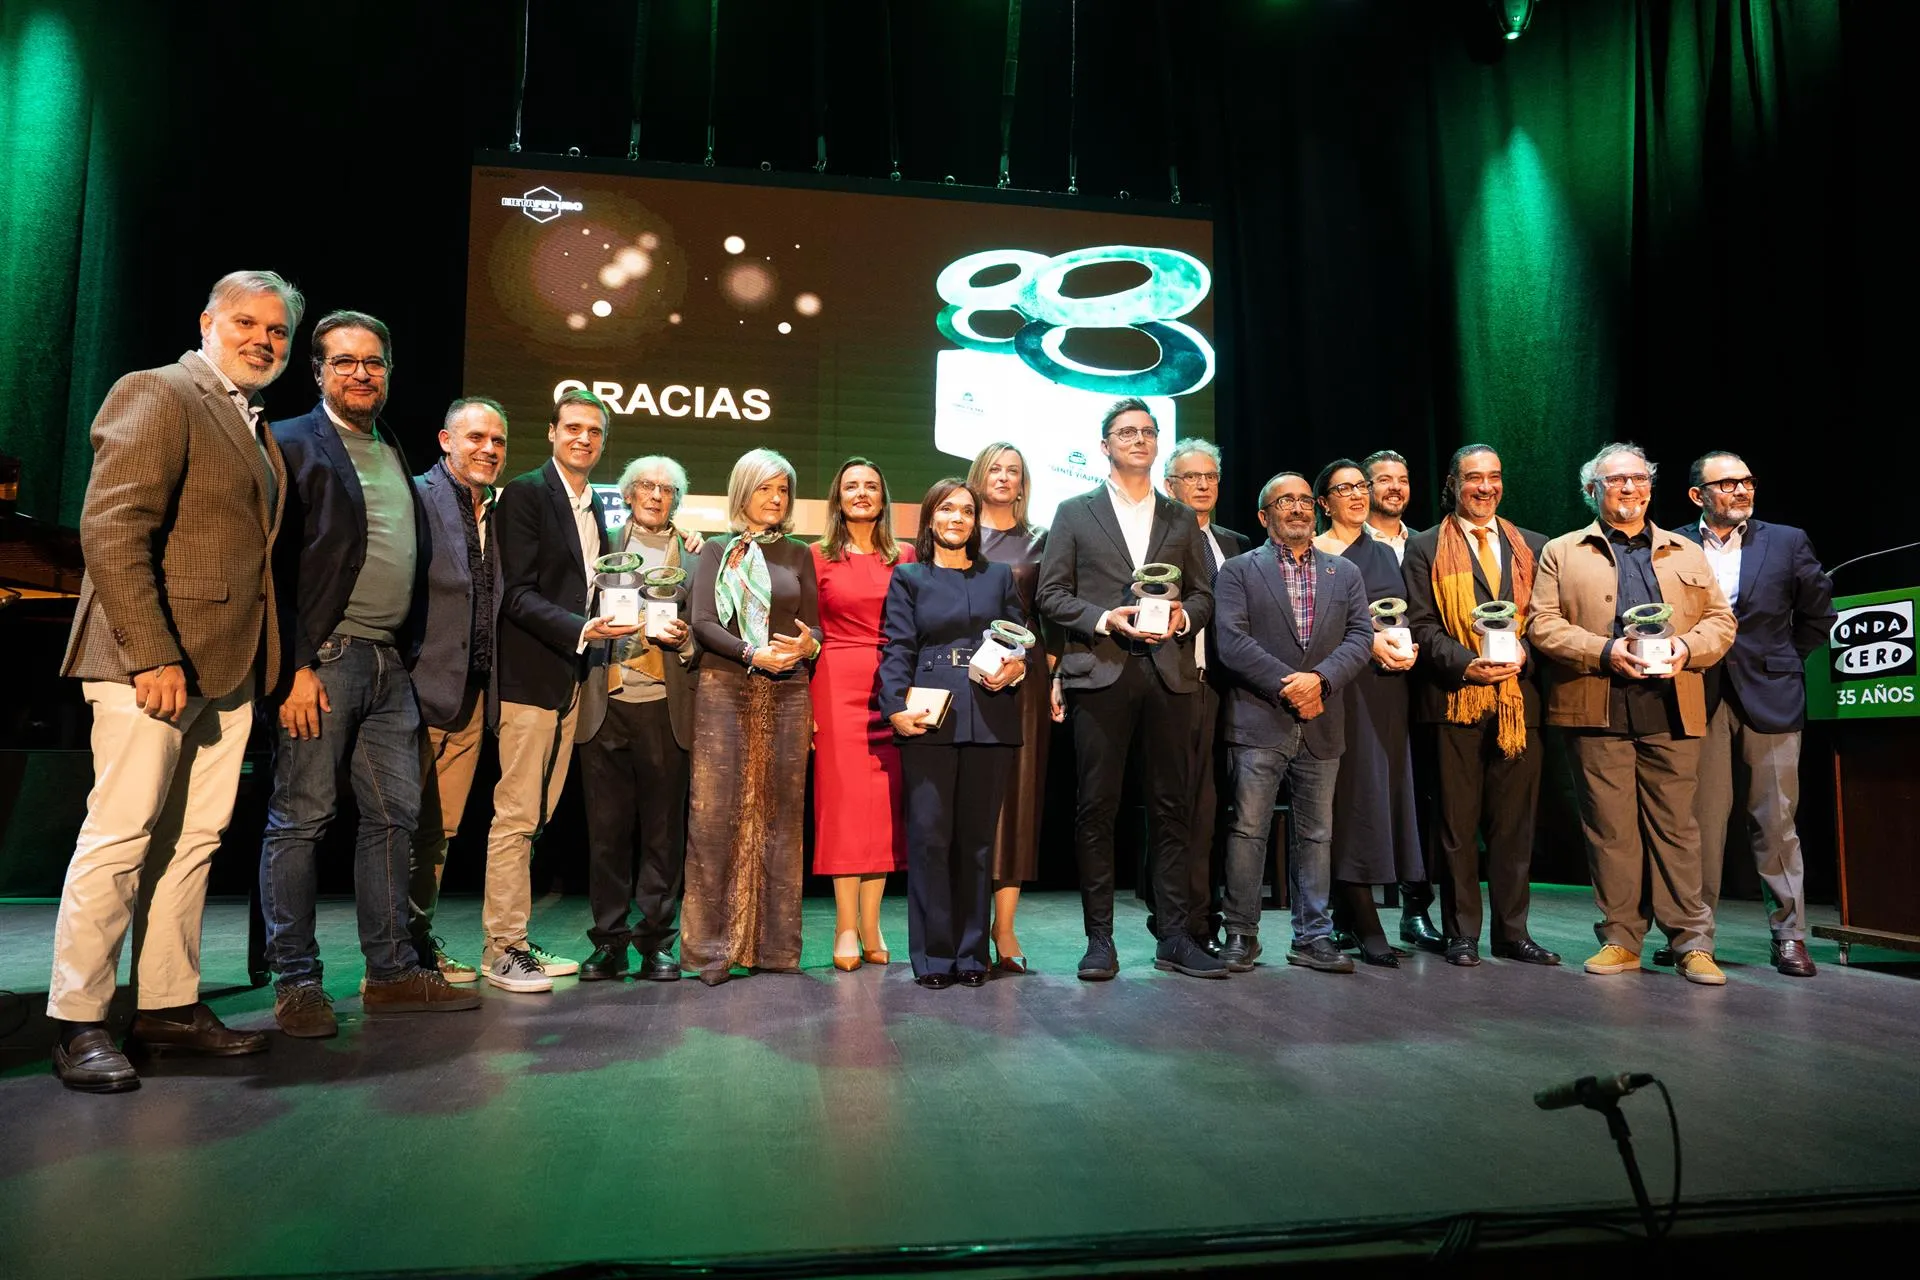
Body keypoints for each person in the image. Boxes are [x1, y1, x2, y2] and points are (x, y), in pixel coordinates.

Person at [47, 270, 300, 1091]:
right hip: (150, 665)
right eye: (246, 322)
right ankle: (79, 1020)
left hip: (224, 667)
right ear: (206, 323)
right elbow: (111, 527)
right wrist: (151, 652)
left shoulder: (252, 421)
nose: (263, 339)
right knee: (120, 837)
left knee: (192, 844)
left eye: (277, 330)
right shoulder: (158, 391)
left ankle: (166, 1007)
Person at [260, 310, 478, 1037]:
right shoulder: (289, 442)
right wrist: (292, 666)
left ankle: (390, 975)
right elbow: (271, 565)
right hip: (322, 662)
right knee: (302, 819)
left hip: (389, 665)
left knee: (393, 819)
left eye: (374, 362)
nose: (362, 373)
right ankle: (296, 982)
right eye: (345, 361)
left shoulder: (389, 446)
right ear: (318, 371)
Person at [1530, 442, 1737, 985]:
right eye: (1616, 479)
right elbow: (1541, 624)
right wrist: (1604, 652)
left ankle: (1692, 942)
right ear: (1591, 490)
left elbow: (1721, 622)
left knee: (1678, 829)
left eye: (1639, 478)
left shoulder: (1684, 551)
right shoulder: (1562, 551)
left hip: (1673, 705)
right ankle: (1621, 939)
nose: (1629, 487)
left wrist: (1685, 648)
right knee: (1610, 830)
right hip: (1596, 707)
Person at [1035, 397, 1222, 980]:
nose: (1139, 440)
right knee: (1097, 808)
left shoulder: (1179, 517)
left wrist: (1183, 620)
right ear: (1105, 445)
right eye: (1126, 432)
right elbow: (1050, 594)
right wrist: (1103, 618)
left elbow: (1205, 593)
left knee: (1172, 808)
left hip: (1169, 673)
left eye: (1147, 431)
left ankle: (1174, 936)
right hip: (1102, 669)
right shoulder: (1074, 512)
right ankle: (1100, 940)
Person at [483, 389, 635, 993]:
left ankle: (515, 941)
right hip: (530, 678)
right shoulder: (525, 493)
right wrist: (582, 629)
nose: (583, 439)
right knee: (517, 816)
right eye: (573, 427)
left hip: (570, 679)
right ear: (551, 432)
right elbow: (516, 594)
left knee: (539, 815)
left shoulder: (594, 505)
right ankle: (503, 949)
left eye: (594, 431)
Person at [1677, 452, 1834, 977]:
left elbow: (1818, 614)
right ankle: (1694, 938)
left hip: (1771, 695)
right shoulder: (1674, 544)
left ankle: (1789, 936)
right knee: (1700, 824)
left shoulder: (1787, 541)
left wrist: (1783, 660)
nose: (1741, 490)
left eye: (1746, 481)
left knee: (1776, 821)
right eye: (1726, 484)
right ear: (1698, 495)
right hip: (1699, 693)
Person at [1401, 445, 1558, 967]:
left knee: (1514, 828)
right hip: (1453, 701)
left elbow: (1548, 621)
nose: (1485, 487)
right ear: (1453, 484)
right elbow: (1420, 624)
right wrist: (1467, 665)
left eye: (1494, 476)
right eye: (1473, 477)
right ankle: (1462, 932)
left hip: (1519, 702)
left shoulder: (1534, 545)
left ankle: (1513, 933)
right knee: (1456, 825)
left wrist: (1525, 653)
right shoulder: (1423, 546)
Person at [1214, 472, 1374, 973]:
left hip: (1323, 721)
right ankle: (1241, 932)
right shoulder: (1238, 571)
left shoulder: (1344, 572)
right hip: (1258, 718)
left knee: (1317, 834)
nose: (1299, 508)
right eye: (1286, 501)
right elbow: (1231, 641)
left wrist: (1320, 682)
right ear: (1264, 516)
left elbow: (1361, 636)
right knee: (1248, 830)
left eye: (1305, 500)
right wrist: (1291, 686)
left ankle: (1312, 937)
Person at [878, 480, 1028, 988]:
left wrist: (1018, 668)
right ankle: (934, 957)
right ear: (930, 518)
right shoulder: (909, 577)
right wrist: (894, 708)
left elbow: (1019, 643)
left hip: (990, 714)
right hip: (929, 712)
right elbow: (897, 646)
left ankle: (971, 955)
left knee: (977, 843)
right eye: (947, 509)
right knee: (929, 839)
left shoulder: (998, 576)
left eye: (966, 510)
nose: (957, 518)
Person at [681, 448, 822, 985]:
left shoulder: (799, 553)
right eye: (765, 488)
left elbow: (815, 625)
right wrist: (750, 653)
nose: (776, 498)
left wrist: (808, 645)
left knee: (780, 819)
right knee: (715, 818)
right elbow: (702, 622)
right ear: (743, 491)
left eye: (783, 490)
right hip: (726, 686)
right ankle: (711, 952)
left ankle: (774, 948)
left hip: (788, 690)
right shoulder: (719, 550)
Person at [576, 456, 702, 982]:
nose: (655, 495)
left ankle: (656, 942)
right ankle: (608, 943)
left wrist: (687, 641)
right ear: (627, 494)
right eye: (646, 486)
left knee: (662, 835)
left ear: (676, 500)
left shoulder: (695, 555)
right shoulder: (599, 544)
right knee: (606, 835)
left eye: (666, 489)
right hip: (605, 703)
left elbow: (708, 627)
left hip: (664, 707)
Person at [405, 397, 508, 985]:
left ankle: (417, 944)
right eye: (476, 438)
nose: (488, 449)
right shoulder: (418, 497)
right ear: (446, 441)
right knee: (395, 831)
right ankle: (390, 959)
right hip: (415, 693)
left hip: (470, 697)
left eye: (497, 441)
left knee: (437, 833)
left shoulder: (495, 510)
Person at [1312, 459, 1424, 967]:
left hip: (1386, 689)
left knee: (1384, 796)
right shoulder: (1315, 552)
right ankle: (1361, 917)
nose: (1358, 495)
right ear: (1324, 503)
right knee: (1353, 799)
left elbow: (1401, 614)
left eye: (1362, 486)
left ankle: (1349, 917)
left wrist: (1407, 646)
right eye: (1345, 489)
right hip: (1342, 687)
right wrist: (1367, 644)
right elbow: (1310, 627)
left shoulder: (1383, 552)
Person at [810, 457, 913, 972]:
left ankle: (872, 924)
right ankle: (844, 926)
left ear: (883, 497)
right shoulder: (815, 556)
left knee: (882, 811)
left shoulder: (907, 555)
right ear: (838, 496)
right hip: (835, 685)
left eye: (871, 485)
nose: (861, 493)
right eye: (851, 485)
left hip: (892, 686)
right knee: (844, 810)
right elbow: (806, 629)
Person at [1162, 439, 1252, 955]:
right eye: (1191, 477)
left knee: (1228, 809)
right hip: (1184, 682)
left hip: (1236, 689)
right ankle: (1185, 922)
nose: (1202, 485)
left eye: (1210, 476)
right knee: (1188, 810)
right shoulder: (1160, 540)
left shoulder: (1236, 543)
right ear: (1169, 486)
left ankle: (1217, 915)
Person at [969, 442, 1054, 973]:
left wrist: (1056, 676)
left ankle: (1004, 927)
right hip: (962, 671)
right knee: (968, 797)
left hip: (1025, 674)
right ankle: (966, 925)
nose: (1003, 478)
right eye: (995, 469)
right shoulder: (955, 529)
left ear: (1023, 483)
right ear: (978, 475)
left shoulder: (1042, 539)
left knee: (1017, 801)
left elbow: (1050, 613)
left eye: (1013, 472)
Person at [1359, 447, 1440, 948]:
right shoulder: (1345, 543)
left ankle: (1416, 909)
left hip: (1424, 685)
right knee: (1363, 797)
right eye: (1384, 479)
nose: (1395, 488)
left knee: (1421, 798)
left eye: (1403, 479)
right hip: (1367, 684)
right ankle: (1351, 911)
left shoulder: (1428, 542)